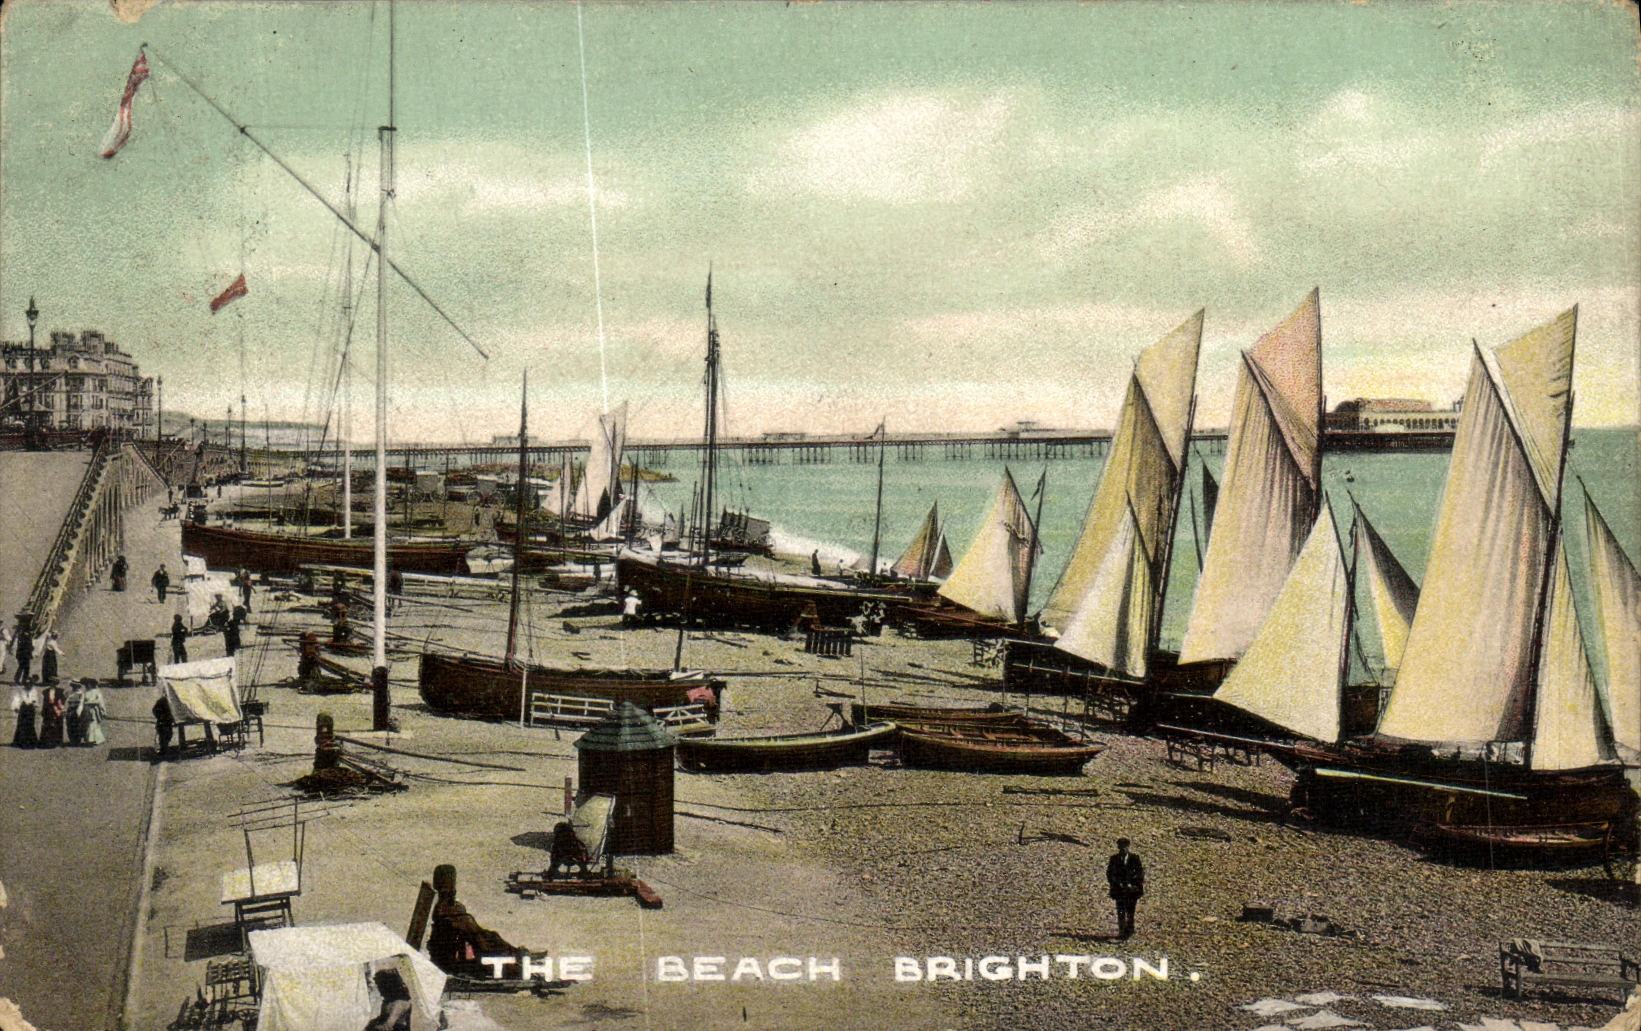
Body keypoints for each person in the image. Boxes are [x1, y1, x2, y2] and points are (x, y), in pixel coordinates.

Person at [426, 864, 520, 979]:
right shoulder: (447, 910)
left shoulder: (444, 907)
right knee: (490, 940)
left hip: (453, 955)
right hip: (455, 963)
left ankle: (514, 953)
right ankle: (515, 957)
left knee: (491, 937)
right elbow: (474, 936)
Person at [1106, 837, 1145, 940]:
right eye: (1121, 847)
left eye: (1125, 847)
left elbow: (1140, 873)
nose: (1123, 849)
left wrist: (1132, 884)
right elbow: (1110, 874)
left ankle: (1129, 930)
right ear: (1118, 847)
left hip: (1132, 891)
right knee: (1121, 912)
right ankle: (1122, 932)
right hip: (1119, 890)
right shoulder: (1114, 859)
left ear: (1128, 847)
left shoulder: (1135, 858)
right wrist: (1118, 884)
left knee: (1130, 912)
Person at [8, 681, 38, 749]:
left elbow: (35, 700)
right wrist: (16, 707)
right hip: (23, 709)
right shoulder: (21, 691)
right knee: (22, 725)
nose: (28, 686)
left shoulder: (34, 691)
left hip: (30, 709)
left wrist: (34, 704)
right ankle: (20, 742)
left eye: (29, 684)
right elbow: (16, 699)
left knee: (30, 725)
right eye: (26, 684)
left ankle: (31, 742)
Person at [79, 680, 107, 746]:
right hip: (87, 709)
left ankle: (96, 739)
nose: (88, 685)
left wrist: (103, 710)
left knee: (93, 723)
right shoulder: (85, 692)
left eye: (90, 684)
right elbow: (82, 701)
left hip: (94, 709)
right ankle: (89, 739)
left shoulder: (97, 692)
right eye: (87, 684)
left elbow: (100, 701)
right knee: (88, 724)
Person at [37, 685, 65, 749]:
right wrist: (43, 710)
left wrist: (60, 709)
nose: (53, 684)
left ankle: (57, 741)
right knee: (47, 725)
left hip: (57, 709)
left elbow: (62, 701)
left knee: (57, 725)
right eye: (51, 682)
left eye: (54, 682)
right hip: (48, 709)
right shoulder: (45, 691)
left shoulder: (60, 691)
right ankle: (46, 741)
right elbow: (44, 702)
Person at [152, 693, 174, 759]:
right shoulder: (162, 701)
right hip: (163, 722)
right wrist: (161, 717)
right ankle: (164, 750)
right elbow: (155, 710)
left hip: (168, 721)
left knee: (169, 734)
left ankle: (165, 748)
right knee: (164, 735)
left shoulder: (170, 701)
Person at [65, 680, 85, 745]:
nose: (74, 687)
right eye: (73, 685)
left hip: (77, 709)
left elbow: (81, 703)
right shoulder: (68, 692)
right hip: (70, 709)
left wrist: (78, 711)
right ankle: (71, 739)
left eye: (76, 686)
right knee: (69, 724)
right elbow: (65, 700)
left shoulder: (80, 693)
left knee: (77, 725)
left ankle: (77, 739)